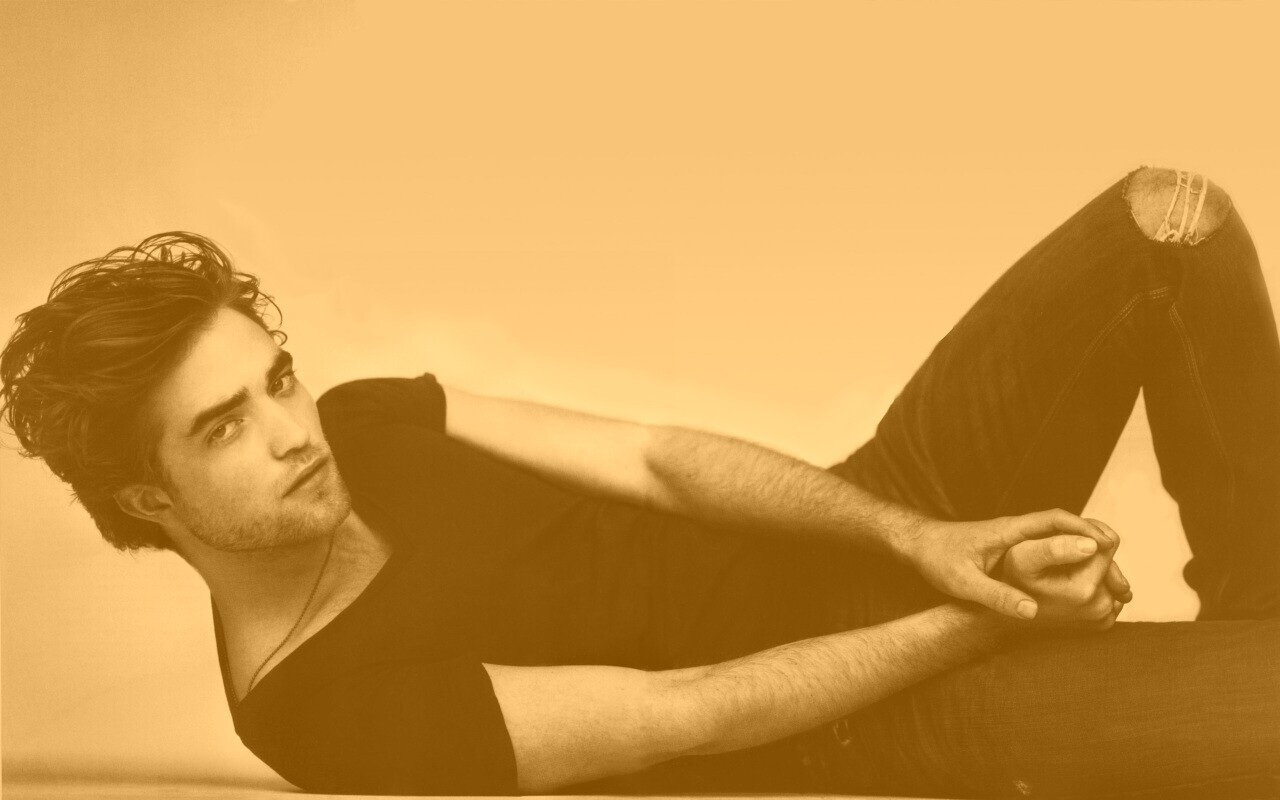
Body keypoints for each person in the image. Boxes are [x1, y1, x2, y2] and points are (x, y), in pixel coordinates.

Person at [0, 165, 1275, 799]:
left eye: (275, 377)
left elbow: (655, 458)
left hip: (874, 529)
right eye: (225, 425)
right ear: (148, 498)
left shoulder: (363, 418)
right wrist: (983, 607)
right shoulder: (315, 713)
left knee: (1167, 220)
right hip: (862, 721)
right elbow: (696, 709)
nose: (294, 430)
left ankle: (1253, 608)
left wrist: (910, 532)